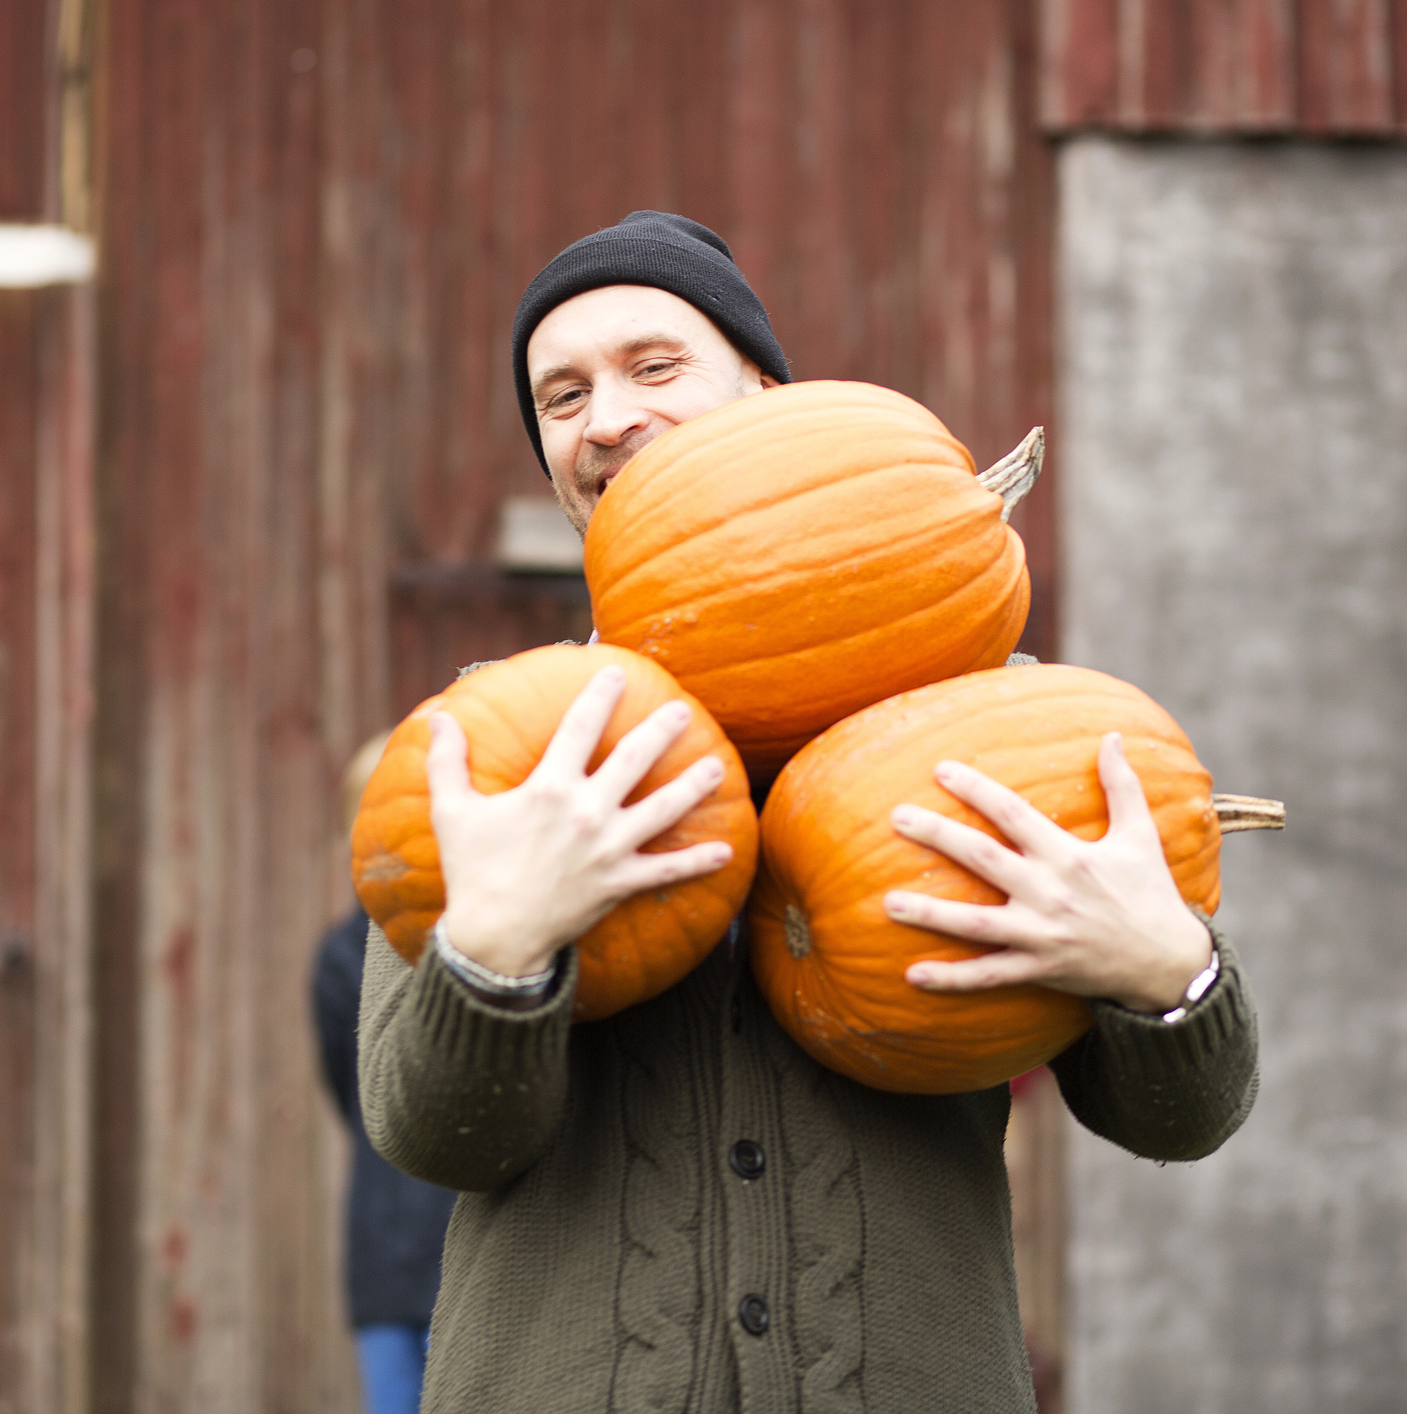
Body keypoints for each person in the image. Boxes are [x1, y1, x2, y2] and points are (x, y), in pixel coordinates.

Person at [359, 211, 1258, 1411]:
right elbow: (430, 1134)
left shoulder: (1003, 722)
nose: (607, 415)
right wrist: (500, 952)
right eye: (560, 397)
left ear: (770, 400)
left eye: (656, 367)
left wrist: (1164, 974)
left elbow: (1187, 1116)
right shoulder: (493, 747)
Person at [313, 733, 458, 1414]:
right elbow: (358, 1093)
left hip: (467, 1242)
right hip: (384, 1243)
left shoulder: (479, 946)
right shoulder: (342, 958)